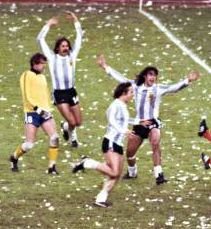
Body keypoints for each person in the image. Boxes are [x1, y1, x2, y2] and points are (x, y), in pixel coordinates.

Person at [98, 55, 200, 184]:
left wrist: (187, 80)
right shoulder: (135, 86)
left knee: (155, 142)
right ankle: (132, 172)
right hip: (139, 124)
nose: (153, 77)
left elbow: (173, 88)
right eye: (151, 74)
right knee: (129, 153)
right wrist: (105, 67)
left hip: (152, 122)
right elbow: (120, 78)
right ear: (145, 76)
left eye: (155, 75)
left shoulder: (158, 88)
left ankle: (159, 175)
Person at [72, 82, 136, 208]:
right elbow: (111, 119)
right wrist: (124, 131)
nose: (132, 95)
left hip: (118, 144)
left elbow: (125, 120)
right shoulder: (116, 105)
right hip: (111, 142)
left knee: (116, 175)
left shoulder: (123, 105)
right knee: (114, 172)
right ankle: (87, 162)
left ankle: (100, 199)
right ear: (124, 93)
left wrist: (140, 122)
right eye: (131, 92)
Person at [36, 11, 83, 148]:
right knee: (73, 122)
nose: (66, 48)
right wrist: (48, 24)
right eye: (63, 46)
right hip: (59, 94)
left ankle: (66, 126)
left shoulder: (72, 56)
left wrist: (75, 20)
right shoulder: (51, 58)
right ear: (57, 48)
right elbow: (39, 39)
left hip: (71, 92)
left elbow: (80, 37)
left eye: (67, 46)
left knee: (78, 122)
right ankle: (73, 138)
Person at [9, 53, 60, 175]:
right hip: (32, 113)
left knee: (55, 138)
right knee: (29, 145)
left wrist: (50, 104)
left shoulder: (42, 77)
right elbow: (27, 95)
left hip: (45, 112)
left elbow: (45, 93)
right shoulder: (26, 75)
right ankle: (14, 157)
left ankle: (51, 167)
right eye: (42, 63)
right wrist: (37, 109)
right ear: (35, 64)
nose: (44, 66)